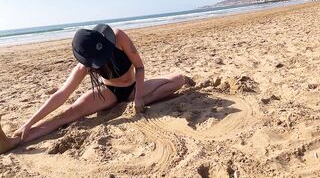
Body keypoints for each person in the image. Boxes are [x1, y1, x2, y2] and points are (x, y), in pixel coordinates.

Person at [0, 24, 185, 154]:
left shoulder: (119, 37)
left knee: (178, 80)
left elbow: (140, 67)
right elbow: (61, 94)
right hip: (108, 93)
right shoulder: (84, 66)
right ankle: (13, 141)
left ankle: (137, 98)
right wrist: (29, 122)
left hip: (134, 88)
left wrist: (137, 97)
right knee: (69, 113)